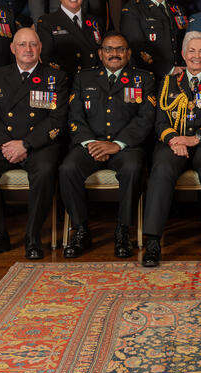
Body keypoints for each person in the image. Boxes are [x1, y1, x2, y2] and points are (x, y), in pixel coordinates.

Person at [0, 27, 69, 260]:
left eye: (33, 44)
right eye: (22, 44)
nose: (28, 49)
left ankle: (32, 237)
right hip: (3, 144)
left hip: (38, 145)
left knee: (44, 171)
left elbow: (56, 119)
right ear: (13, 48)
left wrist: (25, 144)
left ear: (40, 48)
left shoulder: (56, 78)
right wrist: (7, 144)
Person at [140, 31, 201, 268]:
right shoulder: (168, 82)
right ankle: (152, 243)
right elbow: (159, 121)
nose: (196, 56)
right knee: (161, 169)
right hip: (173, 144)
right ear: (183, 54)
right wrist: (174, 140)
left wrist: (196, 138)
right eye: (191, 51)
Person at [61, 33, 156, 259]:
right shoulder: (84, 78)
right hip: (90, 145)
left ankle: (122, 232)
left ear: (128, 53)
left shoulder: (144, 79)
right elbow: (74, 116)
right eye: (109, 49)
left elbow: (145, 118)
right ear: (100, 53)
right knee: (67, 169)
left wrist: (117, 144)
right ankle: (81, 230)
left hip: (126, 147)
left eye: (120, 49)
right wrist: (92, 144)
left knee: (133, 169)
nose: (114, 54)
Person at [119, 0, 187, 79]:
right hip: (148, 78)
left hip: (180, 75)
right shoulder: (132, 10)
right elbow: (137, 47)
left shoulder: (178, 10)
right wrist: (169, 69)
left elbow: (185, 41)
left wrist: (185, 67)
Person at [35, 0, 102, 77]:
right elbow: (47, 59)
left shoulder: (94, 21)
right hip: (66, 79)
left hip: (93, 80)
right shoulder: (47, 22)